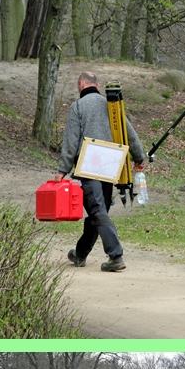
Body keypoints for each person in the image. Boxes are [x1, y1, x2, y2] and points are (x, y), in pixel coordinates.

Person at [55, 72, 146, 272]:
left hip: (89, 165)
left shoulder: (77, 107)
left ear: (81, 84)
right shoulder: (112, 106)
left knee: (97, 211)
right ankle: (80, 254)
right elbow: (129, 132)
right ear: (97, 85)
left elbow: (70, 142)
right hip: (111, 165)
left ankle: (115, 256)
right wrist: (139, 157)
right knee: (99, 211)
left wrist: (62, 170)